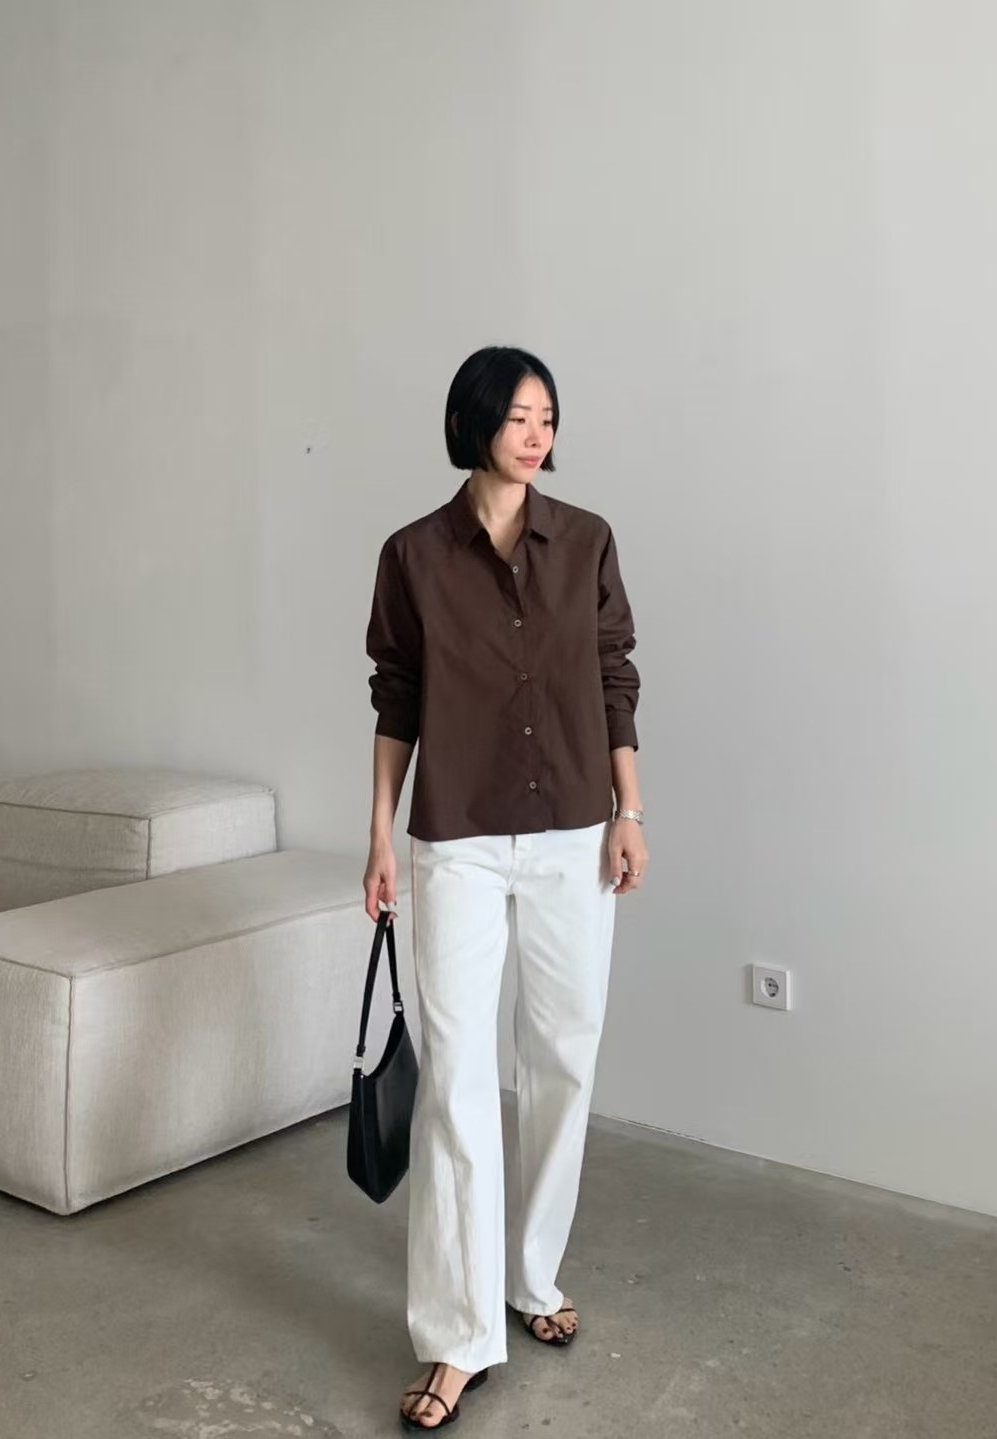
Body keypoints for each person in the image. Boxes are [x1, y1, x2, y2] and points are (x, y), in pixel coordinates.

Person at [363, 345, 648, 1431]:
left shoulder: (587, 541)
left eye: (548, 417)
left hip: (575, 829)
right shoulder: (412, 555)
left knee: (565, 1058)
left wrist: (630, 810)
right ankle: (458, 1335)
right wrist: (381, 835)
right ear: (474, 420)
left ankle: (530, 1275)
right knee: (457, 1082)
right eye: (519, 415)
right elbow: (396, 695)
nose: (537, 434)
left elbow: (615, 675)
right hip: (459, 842)